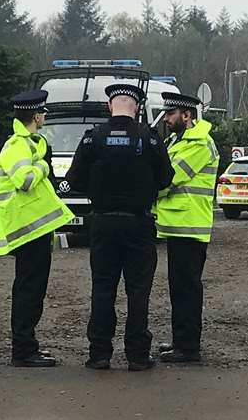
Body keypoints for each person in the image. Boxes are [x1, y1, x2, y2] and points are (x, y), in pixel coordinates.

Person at [64, 83, 173, 371]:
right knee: (138, 291)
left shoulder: (93, 138)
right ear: (136, 107)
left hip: (102, 222)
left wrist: (98, 189)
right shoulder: (148, 138)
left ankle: (99, 353)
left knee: (103, 287)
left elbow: (74, 179)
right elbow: (166, 178)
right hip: (138, 223)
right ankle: (137, 354)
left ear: (110, 106)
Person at [0, 90, 69, 367]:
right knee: (28, 291)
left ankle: (28, 346)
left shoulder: (30, 143)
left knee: (33, 290)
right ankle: (23, 350)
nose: (45, 116)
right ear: (36, 116)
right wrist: (42, 167)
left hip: (34, 229)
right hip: (26, 230)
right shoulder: (17, 146)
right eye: (43, 112)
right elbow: (25, 180)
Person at [153, 91, 217, 363]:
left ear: (187, 115)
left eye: (170, 114)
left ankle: (189, 347)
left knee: (187, 287)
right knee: (178, 287)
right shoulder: (178, 141)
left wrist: (140, 191)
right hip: (178, 225)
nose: (166, 119)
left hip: (190, 225)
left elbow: (169, 179)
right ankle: (181, 341)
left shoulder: (199, 143)